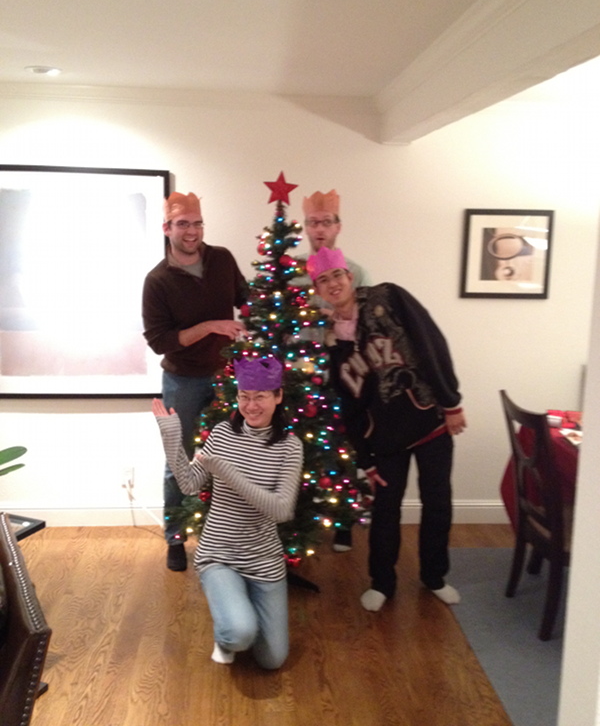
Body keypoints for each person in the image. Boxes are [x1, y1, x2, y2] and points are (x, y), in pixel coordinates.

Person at [306, 246, 467, 612]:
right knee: (385, 510)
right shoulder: (333, 345)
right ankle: (382, 582)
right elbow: (349, 407)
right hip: (386, 440)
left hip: (430, 421)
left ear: (350, 276)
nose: (332, 284)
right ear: (317, 289)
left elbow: (431, 344)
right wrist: (366, 459)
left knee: (438, 503)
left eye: (337, 275)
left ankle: (435, 577)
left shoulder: (389, 297)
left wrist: (451, 402)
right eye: (323, 280)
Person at [152, 356, 303, 668]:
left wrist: (226, 471)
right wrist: (171, 436)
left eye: (260, 396)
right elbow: (190, 484)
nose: (251, 406)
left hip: (264, 560)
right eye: (244, 396)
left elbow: (281, 510)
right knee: (238, 633)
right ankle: (230, 628)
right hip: (219, 554)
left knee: (273, 660)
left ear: (277, 396)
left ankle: (238, 607)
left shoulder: (290, 446)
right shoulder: (222, 433)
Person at [142, 191, 248, 572]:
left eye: (198, 223)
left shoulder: (221, 259)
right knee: (179, 461)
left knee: (231, 458)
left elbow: (246, 297)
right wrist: (208, 327)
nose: (192, 231)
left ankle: (226, 536)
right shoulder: (157, 281)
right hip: (182, 382)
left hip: (228, 377)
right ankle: (175, 538)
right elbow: (160, 342)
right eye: (183, 224)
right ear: (167, 228)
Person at [295, 189, 369, 553]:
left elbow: (365, 322)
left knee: (343, 447)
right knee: (299, 449)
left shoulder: (355, 272)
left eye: (326, 221)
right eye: (312, 222)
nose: (319, 228)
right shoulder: (291, 271)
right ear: (305, 226)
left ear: (337, 226)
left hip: (340, 373)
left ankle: (342, 521)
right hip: (297, 374)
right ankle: (300, 517)